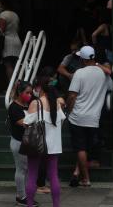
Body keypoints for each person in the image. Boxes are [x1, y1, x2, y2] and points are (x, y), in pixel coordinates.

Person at [66, 46, 113, 187]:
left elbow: (72, 95)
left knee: (80, 148)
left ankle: (85, 179)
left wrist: (68, 110)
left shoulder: (79, 73)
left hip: (77, 116)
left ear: (83, 59)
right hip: (94, 118)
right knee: (84, 147)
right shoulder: (103, 74)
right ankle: (76, 172)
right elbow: (110, 88)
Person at [24, 71, 67, 207]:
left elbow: (26, 123)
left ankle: (30, 204)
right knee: (53, 176)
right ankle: (56, 205)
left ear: (40, 88)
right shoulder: (57, 103)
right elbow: (61, 120)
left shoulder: (35, 103)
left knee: (32, 175)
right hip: (54, 145)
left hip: (37, 145)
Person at [7, 81, 38, 206]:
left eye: (31, 92)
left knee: (27, 169)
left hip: (28, 142)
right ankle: (21, 196)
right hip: (18, 142)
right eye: (27, 93)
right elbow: (24, 123)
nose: (30, 95)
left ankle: (26, 194)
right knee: (21, 169)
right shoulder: (14, 107)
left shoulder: (29, 104)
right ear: (20, 92)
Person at [0, 0, 22, 81]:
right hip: (17, 40)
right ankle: (18, 85)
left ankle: (11, 87)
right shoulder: (15, 14)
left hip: (7, 41)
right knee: (16, 65)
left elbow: (1, 29)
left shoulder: (3, 15)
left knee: (8, 65)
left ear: (3, 5)